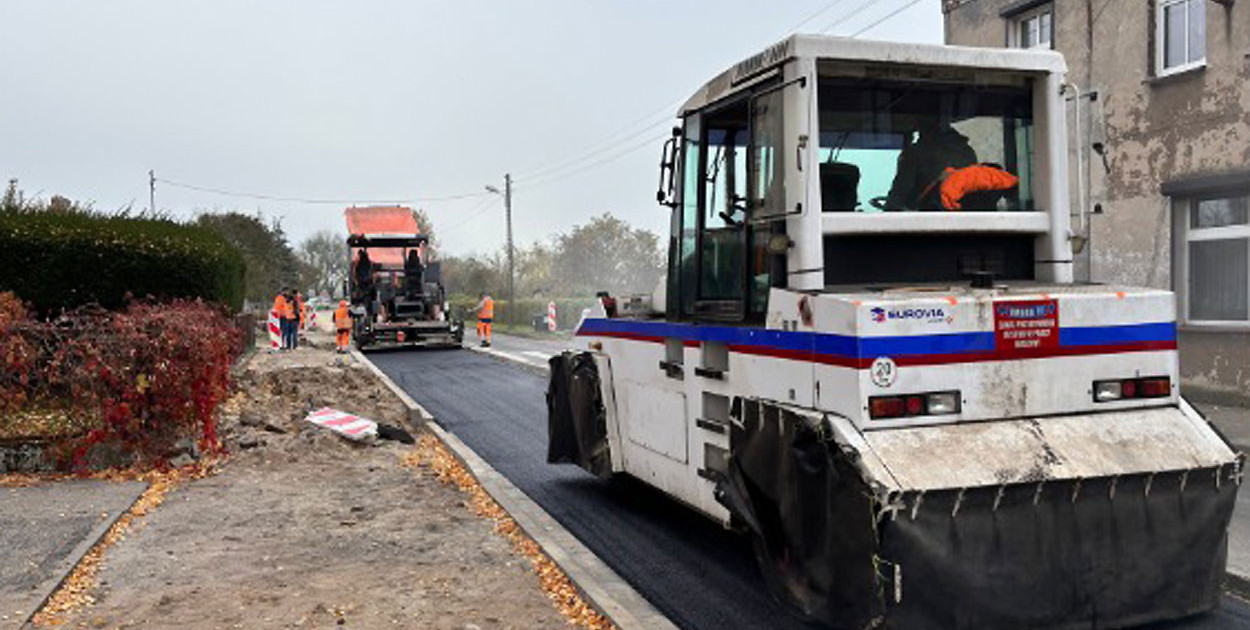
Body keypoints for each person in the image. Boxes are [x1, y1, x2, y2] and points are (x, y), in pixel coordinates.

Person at [884, 118, 978, 211]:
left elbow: (899, 193)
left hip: (926, 219)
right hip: (965, 217)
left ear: (921, 125)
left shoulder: (917, 153)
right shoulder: (967, 151)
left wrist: (891, 208)